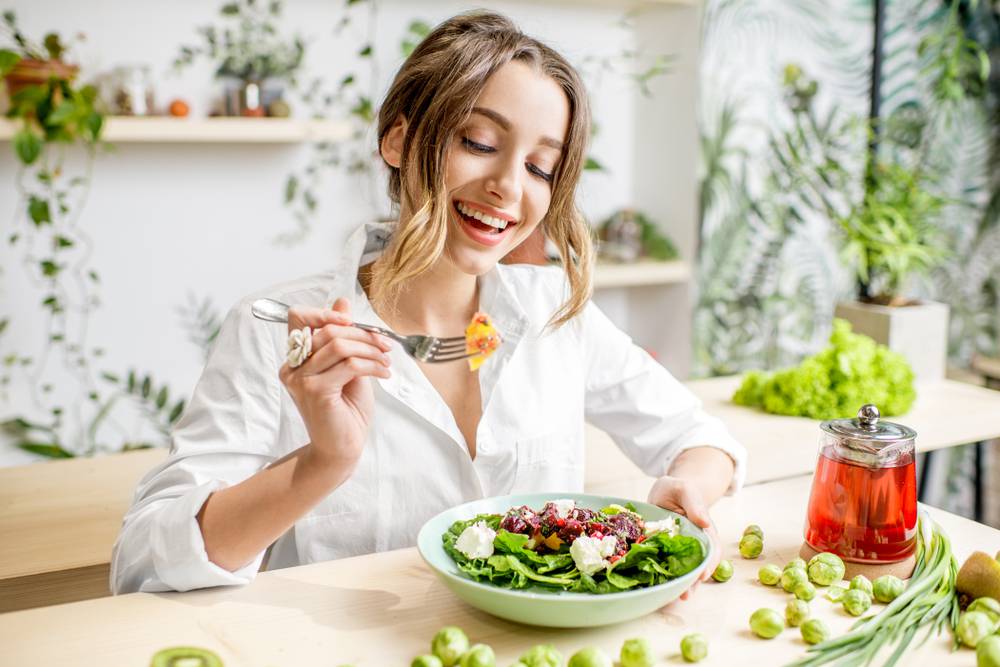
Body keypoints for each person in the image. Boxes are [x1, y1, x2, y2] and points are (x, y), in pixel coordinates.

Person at [110, 11, 746, 596]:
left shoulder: (556, 312)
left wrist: (687, 490)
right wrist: (323, 461)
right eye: (477, 142)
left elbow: (698, 437)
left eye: (541, 168)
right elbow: (142, 564)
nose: (507, 188)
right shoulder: (278, 326)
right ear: (398, 142)